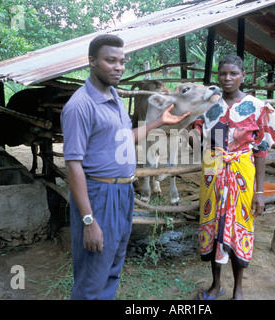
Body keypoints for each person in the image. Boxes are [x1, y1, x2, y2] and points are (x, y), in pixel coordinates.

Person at [61, 34, 190, 300]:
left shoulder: (115, 98)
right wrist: (89, 221)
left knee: (112, 268)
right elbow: (72, 165)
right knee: (93, 275)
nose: (119, 67)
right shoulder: (80, 106)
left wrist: (158, 123)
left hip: (123, 193)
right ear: (92, 61)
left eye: (122, 61)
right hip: (98, 195)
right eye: (111, 60)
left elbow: (124, 138)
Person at [191, 55, 275, 300]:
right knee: (213, 228)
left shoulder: (258, 108)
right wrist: (194, 137)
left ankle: (238, 289)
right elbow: (198, 132)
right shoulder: (210, 108)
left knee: (240, 228)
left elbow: (261, 152)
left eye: (233, 74)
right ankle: (216, 285)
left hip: (242, 174)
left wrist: (259, 192)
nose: (227, 79)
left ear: (242, 76)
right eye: (222, 74)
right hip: (213, 174)